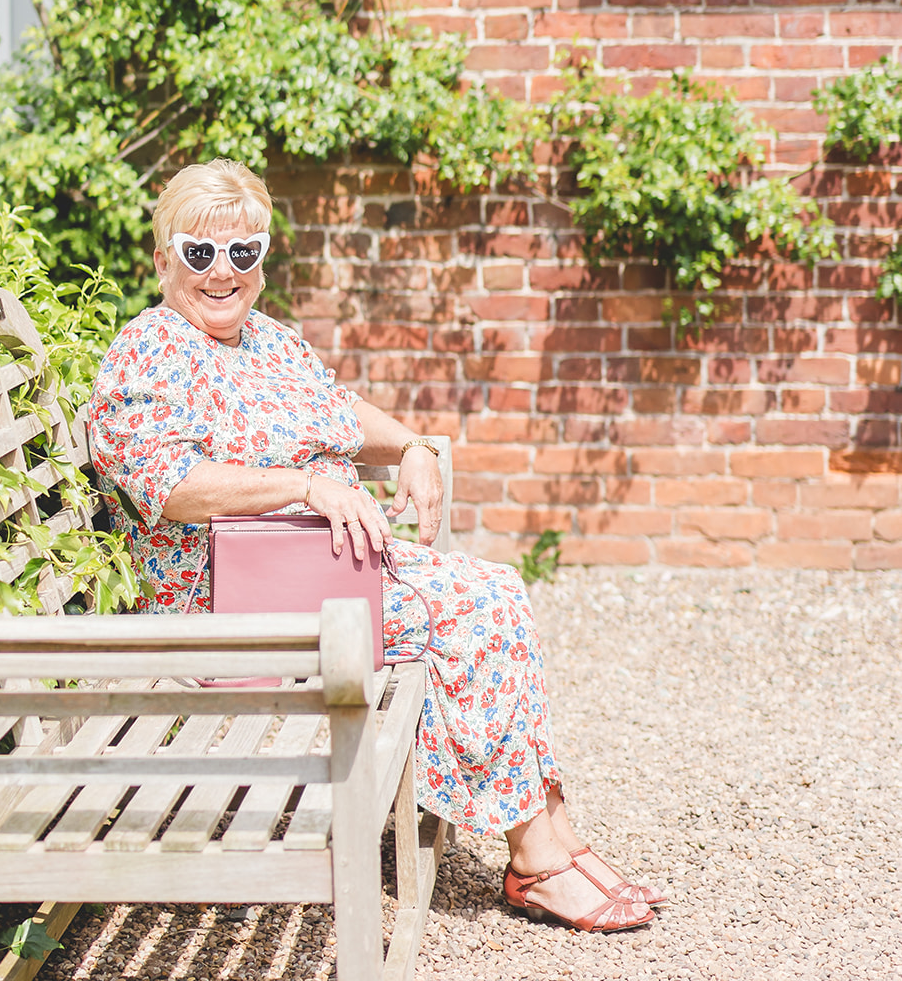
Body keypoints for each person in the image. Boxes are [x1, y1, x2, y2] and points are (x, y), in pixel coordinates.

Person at [89, 159, 664, 933]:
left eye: (243, 253)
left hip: (306, 570)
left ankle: (554, 832)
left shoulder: (266, 341)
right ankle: (534, 857)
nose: (222, 273)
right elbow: (172, 485)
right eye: (199, 253)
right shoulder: (145, 351)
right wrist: (303, 487)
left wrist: (413, 447)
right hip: (223, 600)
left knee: (494, 589)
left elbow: (336, 410)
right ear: (163, 260)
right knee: (467, 613)